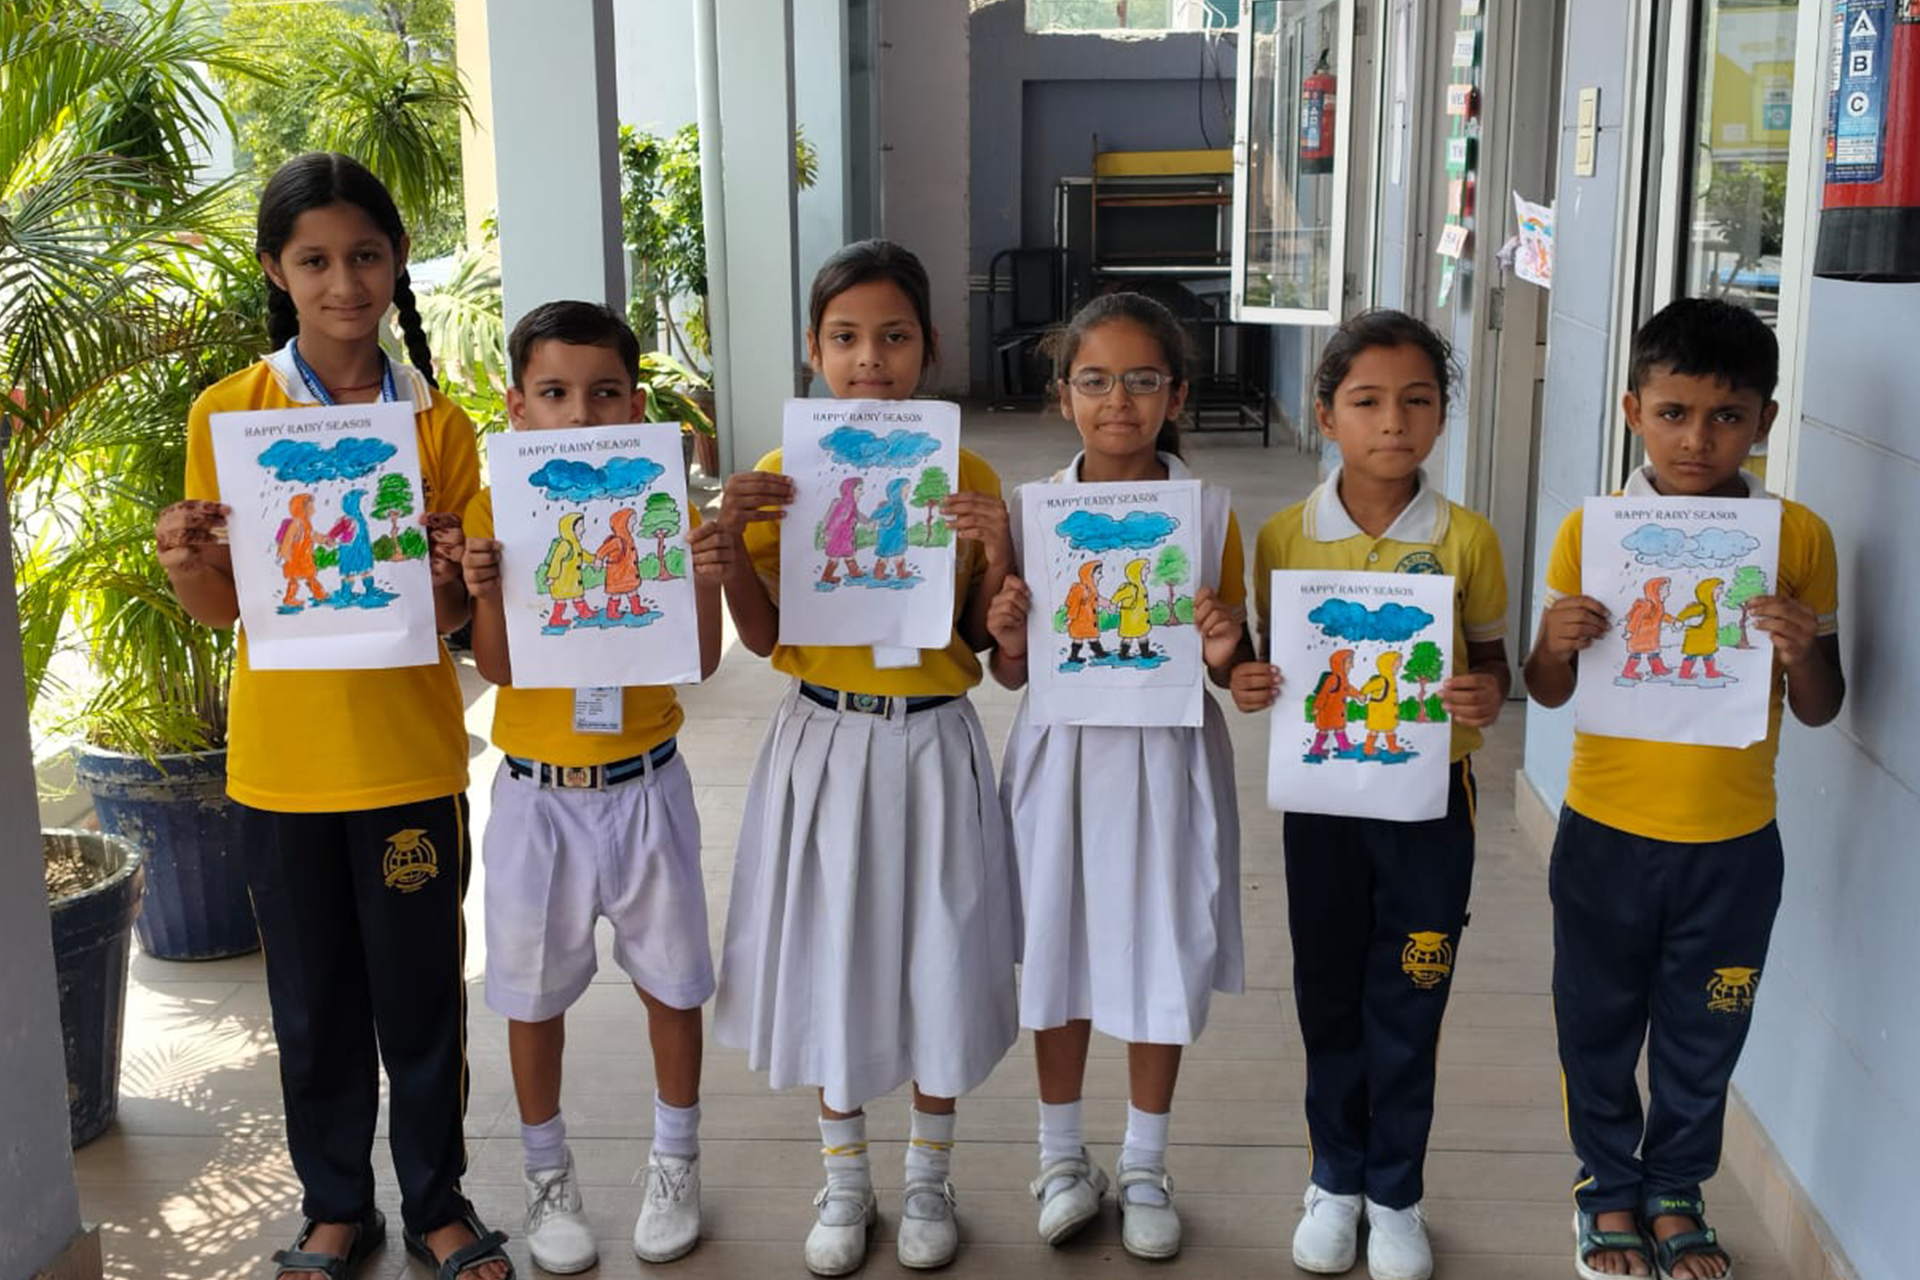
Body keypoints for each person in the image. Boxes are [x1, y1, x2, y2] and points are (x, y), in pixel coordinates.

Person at [153, 152, 510, 1280]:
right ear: (277, 269)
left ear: (397, 260)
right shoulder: (232, 413)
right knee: (308, 1006)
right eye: (315, 260)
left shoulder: (435, 422)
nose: (344, 282)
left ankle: (438, 1199)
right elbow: (224, 609)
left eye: (364, 255)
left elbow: (450, 616)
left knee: (420, 1001)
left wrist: (457, 572)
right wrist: (184, 562)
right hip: (281, 770)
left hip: (408, 760)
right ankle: (334, 1206)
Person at [710, 239, 1021, 1276]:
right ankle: (846, 1175)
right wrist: (724, 546)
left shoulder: (966, 473)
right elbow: (762, 639)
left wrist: (1002, 551)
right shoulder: (775, 476)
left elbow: (980, 639)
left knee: (944, 946)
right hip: (824, 741)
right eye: (845, 337)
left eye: (893, 336)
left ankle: (930, 1172)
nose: (869, 358)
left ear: (928, 347)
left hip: (933, 741)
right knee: (830, 951)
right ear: (813, 349)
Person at [1523, 297, 1844, 1280]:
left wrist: (1800, 651)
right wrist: (1555, 642)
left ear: (1766, 421)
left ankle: (1676, 1192)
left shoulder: (1797, 538)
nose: (1697, 438)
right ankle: (1608, 1188)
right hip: (1606, 834)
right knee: (1598, 1021)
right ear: (1632, 409)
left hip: (1736, 839)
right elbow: (1544, 688)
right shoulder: (1595, 530)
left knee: (1708, 1026)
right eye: (1673, 412)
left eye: (1727, 415)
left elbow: (1827, 705)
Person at [1228, 310, 1511, 1280]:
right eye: (1367, 401)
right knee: (1330, 992)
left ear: (1441, 417)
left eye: (1418, 399)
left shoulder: (1468, 538)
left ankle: (1397, 1193)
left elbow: (1490, 661)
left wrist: (1487, 692)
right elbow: (1268, 668)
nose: (1393, 420)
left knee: (1413, 994)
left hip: (1436, 806)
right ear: (1325, 414)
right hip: (1324, 809)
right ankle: (1334, 1177)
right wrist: (1249, 681)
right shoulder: (1282, 536)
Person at [460, 300, 729, 1274]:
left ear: (635, 400)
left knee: (671, 978)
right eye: (555, 392)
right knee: (530, 995)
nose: (581, 413)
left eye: (604, 391)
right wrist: (486, 588)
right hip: (535, 793)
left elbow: (698, 657)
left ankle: (676, 1158)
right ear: (517, 406)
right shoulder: (497, 508)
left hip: (648, 782)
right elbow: (496, 668)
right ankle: (546, 1172)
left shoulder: (665, 501)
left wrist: (705, 576)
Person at [984, 291, 1252, 1260]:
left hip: (1166, 757)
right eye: (1095, 380)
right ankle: (1061, 1156)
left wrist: (1224, 645)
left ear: (1176, 393)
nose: (1119, 402)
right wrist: (1008, 632)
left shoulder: (1210, 514)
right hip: (1062, 755)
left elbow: (1231, 661)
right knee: (1060, 948)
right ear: (1062, 396)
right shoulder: (1031, 511)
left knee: (1157, 947)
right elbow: (1010, 668)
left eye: (1143, 381)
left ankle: (1144, 1159)